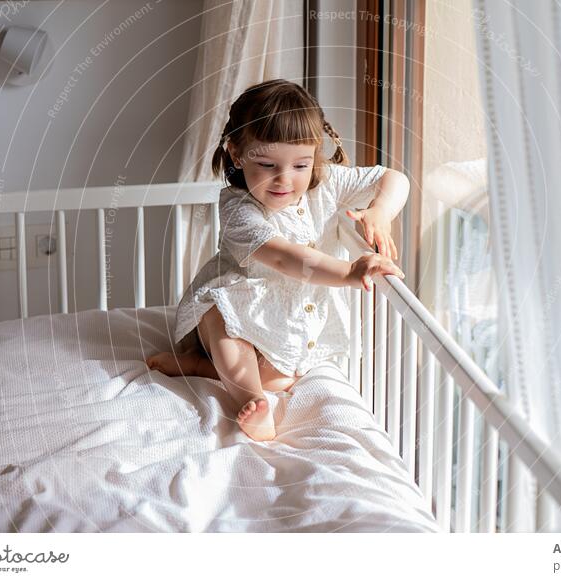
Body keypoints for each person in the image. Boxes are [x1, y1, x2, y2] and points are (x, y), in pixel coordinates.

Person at [147, 79, 409, 442]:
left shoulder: (328, 184)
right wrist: (350, 271)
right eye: (268, 164)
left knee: (281, 376)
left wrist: (379, 213)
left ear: (314, 157)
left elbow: (394, 179)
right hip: (241, 308)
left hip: (290, 324)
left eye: (301, 165)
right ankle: (251, 401)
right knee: (219, 315)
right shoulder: (239, 207)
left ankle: (201, 367)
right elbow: (287, 259)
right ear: (237, 154)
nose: (285, 179)